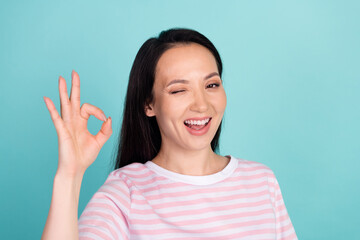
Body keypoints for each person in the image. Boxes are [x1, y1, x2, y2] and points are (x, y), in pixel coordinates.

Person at [42, 28, 297, 240]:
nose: (202, 105)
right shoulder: (126, 191)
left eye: (211, 85)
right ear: (149, 104)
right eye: (178, 90)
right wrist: (70, 175)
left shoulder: (262, 182)